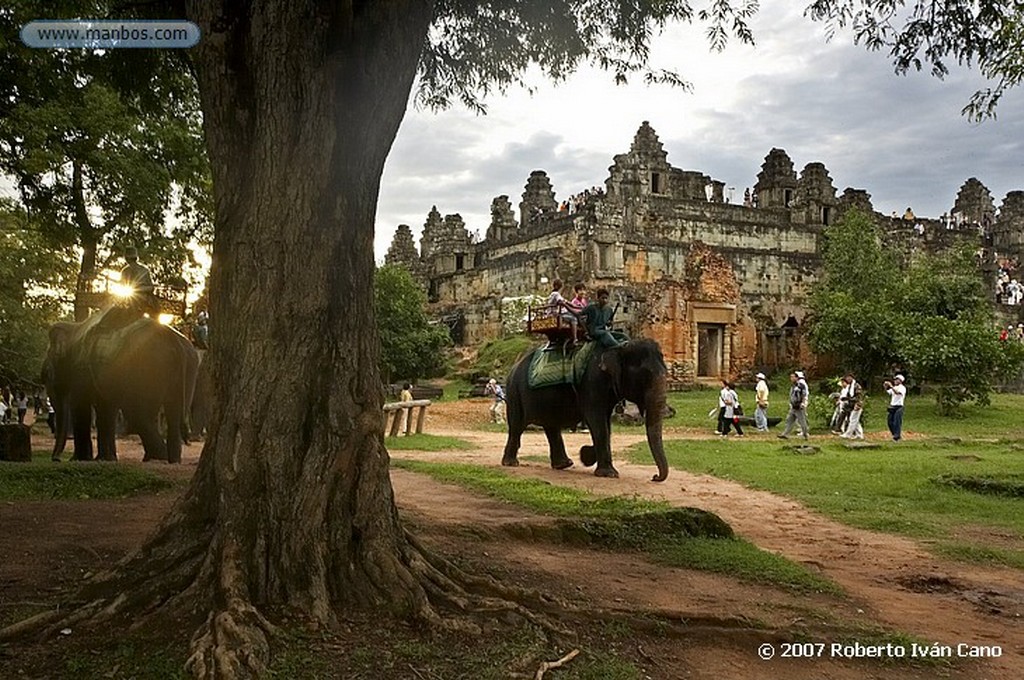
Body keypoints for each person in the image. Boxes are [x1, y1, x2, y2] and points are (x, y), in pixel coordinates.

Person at [119, 245, 158, 316]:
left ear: (126, 258)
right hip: (139, 299)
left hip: (138, 300)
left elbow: (122, 286)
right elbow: (151, 287)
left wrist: (138, 290)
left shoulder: (125, 271)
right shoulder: (143, 269)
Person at [777, 371, 809, 440]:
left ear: (797, 378)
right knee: (789, 420)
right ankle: (785, 434)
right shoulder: (793, 386)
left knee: (802, 421)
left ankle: (805, 434)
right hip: (793, 406)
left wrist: (803, 403)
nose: (791, 378)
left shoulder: (801, 385)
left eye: (793, 377)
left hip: (799, 406)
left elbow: (804, 395)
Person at [839, 373, 865, 440]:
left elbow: (859, 396)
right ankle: (859, 434)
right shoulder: (849, 386)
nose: (847, 379)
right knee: (855, 420)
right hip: (851, 405)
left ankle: (848, 434)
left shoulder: (856, 386)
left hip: (856, 405)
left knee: (853, 420)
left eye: (848, 377)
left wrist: (857, 404)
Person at [884, 374, 907, 442]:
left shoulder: (902, 388)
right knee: (890, 421)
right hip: (892, 406)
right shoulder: (894, 387)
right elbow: (889, 392)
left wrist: (891, 386)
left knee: (897, 421)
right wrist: (885, 386)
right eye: (895, 380)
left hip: (899, 406)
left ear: (900, 381)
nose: (895, 381)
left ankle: (897, 436)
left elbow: (897, 393)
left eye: (897, 380)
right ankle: (895, 434)